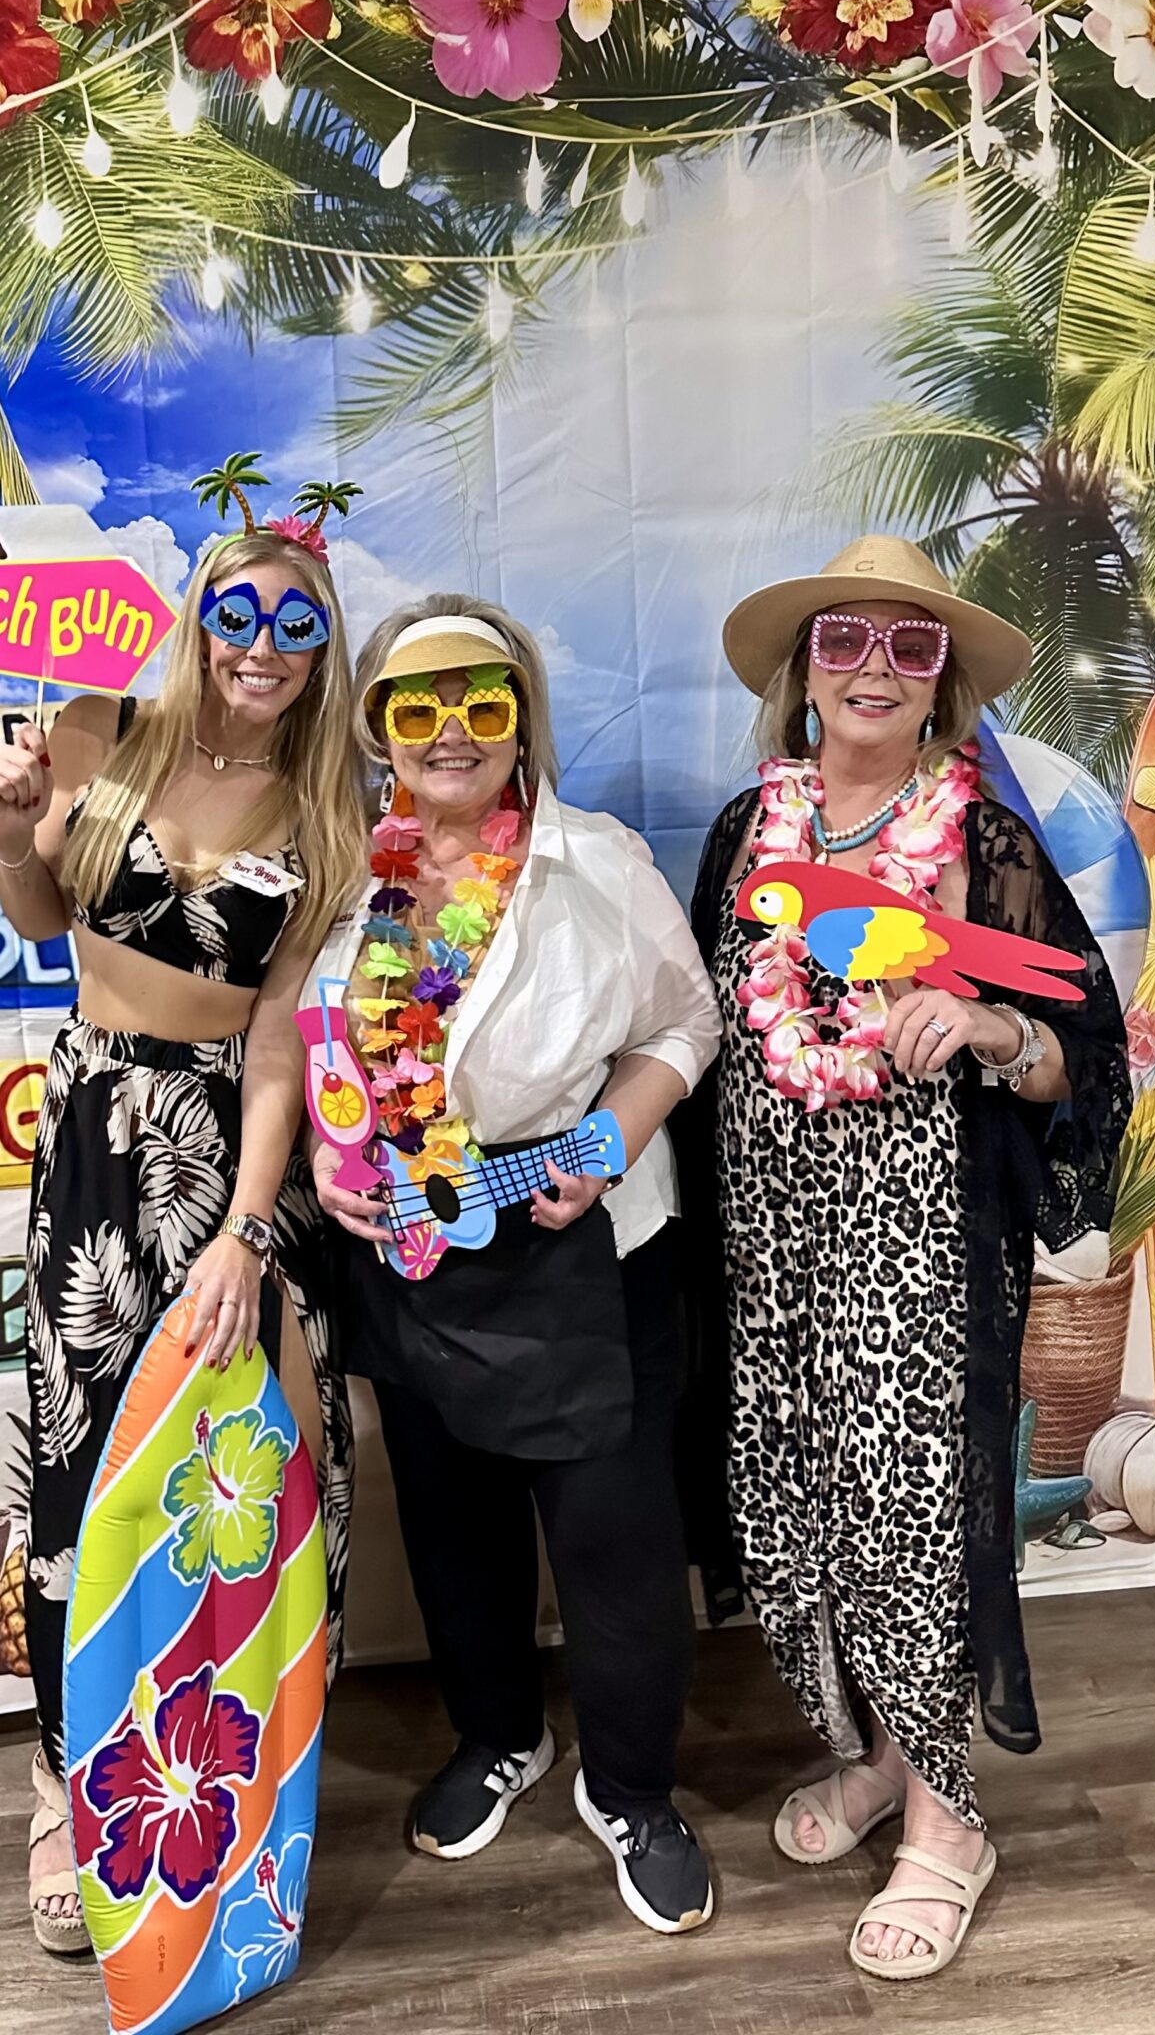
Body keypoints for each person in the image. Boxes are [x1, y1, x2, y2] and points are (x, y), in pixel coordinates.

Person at [675, 537, 1130, 1980]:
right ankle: (881, 1752)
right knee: (799, 1510)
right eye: (843, 642)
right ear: (801, 673)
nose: (872, 669)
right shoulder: (744, 836)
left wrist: (992, 1031)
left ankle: (949, 1821)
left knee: (909, 1519)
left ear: (940, 691)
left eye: (909, 648)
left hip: (914, 1247)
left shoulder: (982, 844)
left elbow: (1086, 1053)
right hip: (774, 1243)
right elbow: (702, 1034)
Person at [295, 597, 722, 1935]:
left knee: (613, 1545)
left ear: (519, 712)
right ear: (375, 729)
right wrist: (323, 1156)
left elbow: (684, 1021)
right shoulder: (339, 878)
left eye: (481, 701)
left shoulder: (593, 861)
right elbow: (299, 1046)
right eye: (416, 708)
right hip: (408, 1246)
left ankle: (635, 1791)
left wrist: (607, 1140)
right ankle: (495, 1737)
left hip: (577, 1240)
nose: (451, 733)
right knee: (451, 1523)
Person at [0, 526, 366, 1954]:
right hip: (94, 1139)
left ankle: (240, 1780)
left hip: (236, 1162)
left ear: (322, 650)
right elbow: (38, 918)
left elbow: (277, 1053)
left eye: (297, 623)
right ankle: (62, 1785)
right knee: (80, 1470)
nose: (261, 642)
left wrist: (251, 1232)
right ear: (198, 619)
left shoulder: (329, 810)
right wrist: (9, 830)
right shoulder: (99, 734)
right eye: (237, 612)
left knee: (238, 1464)